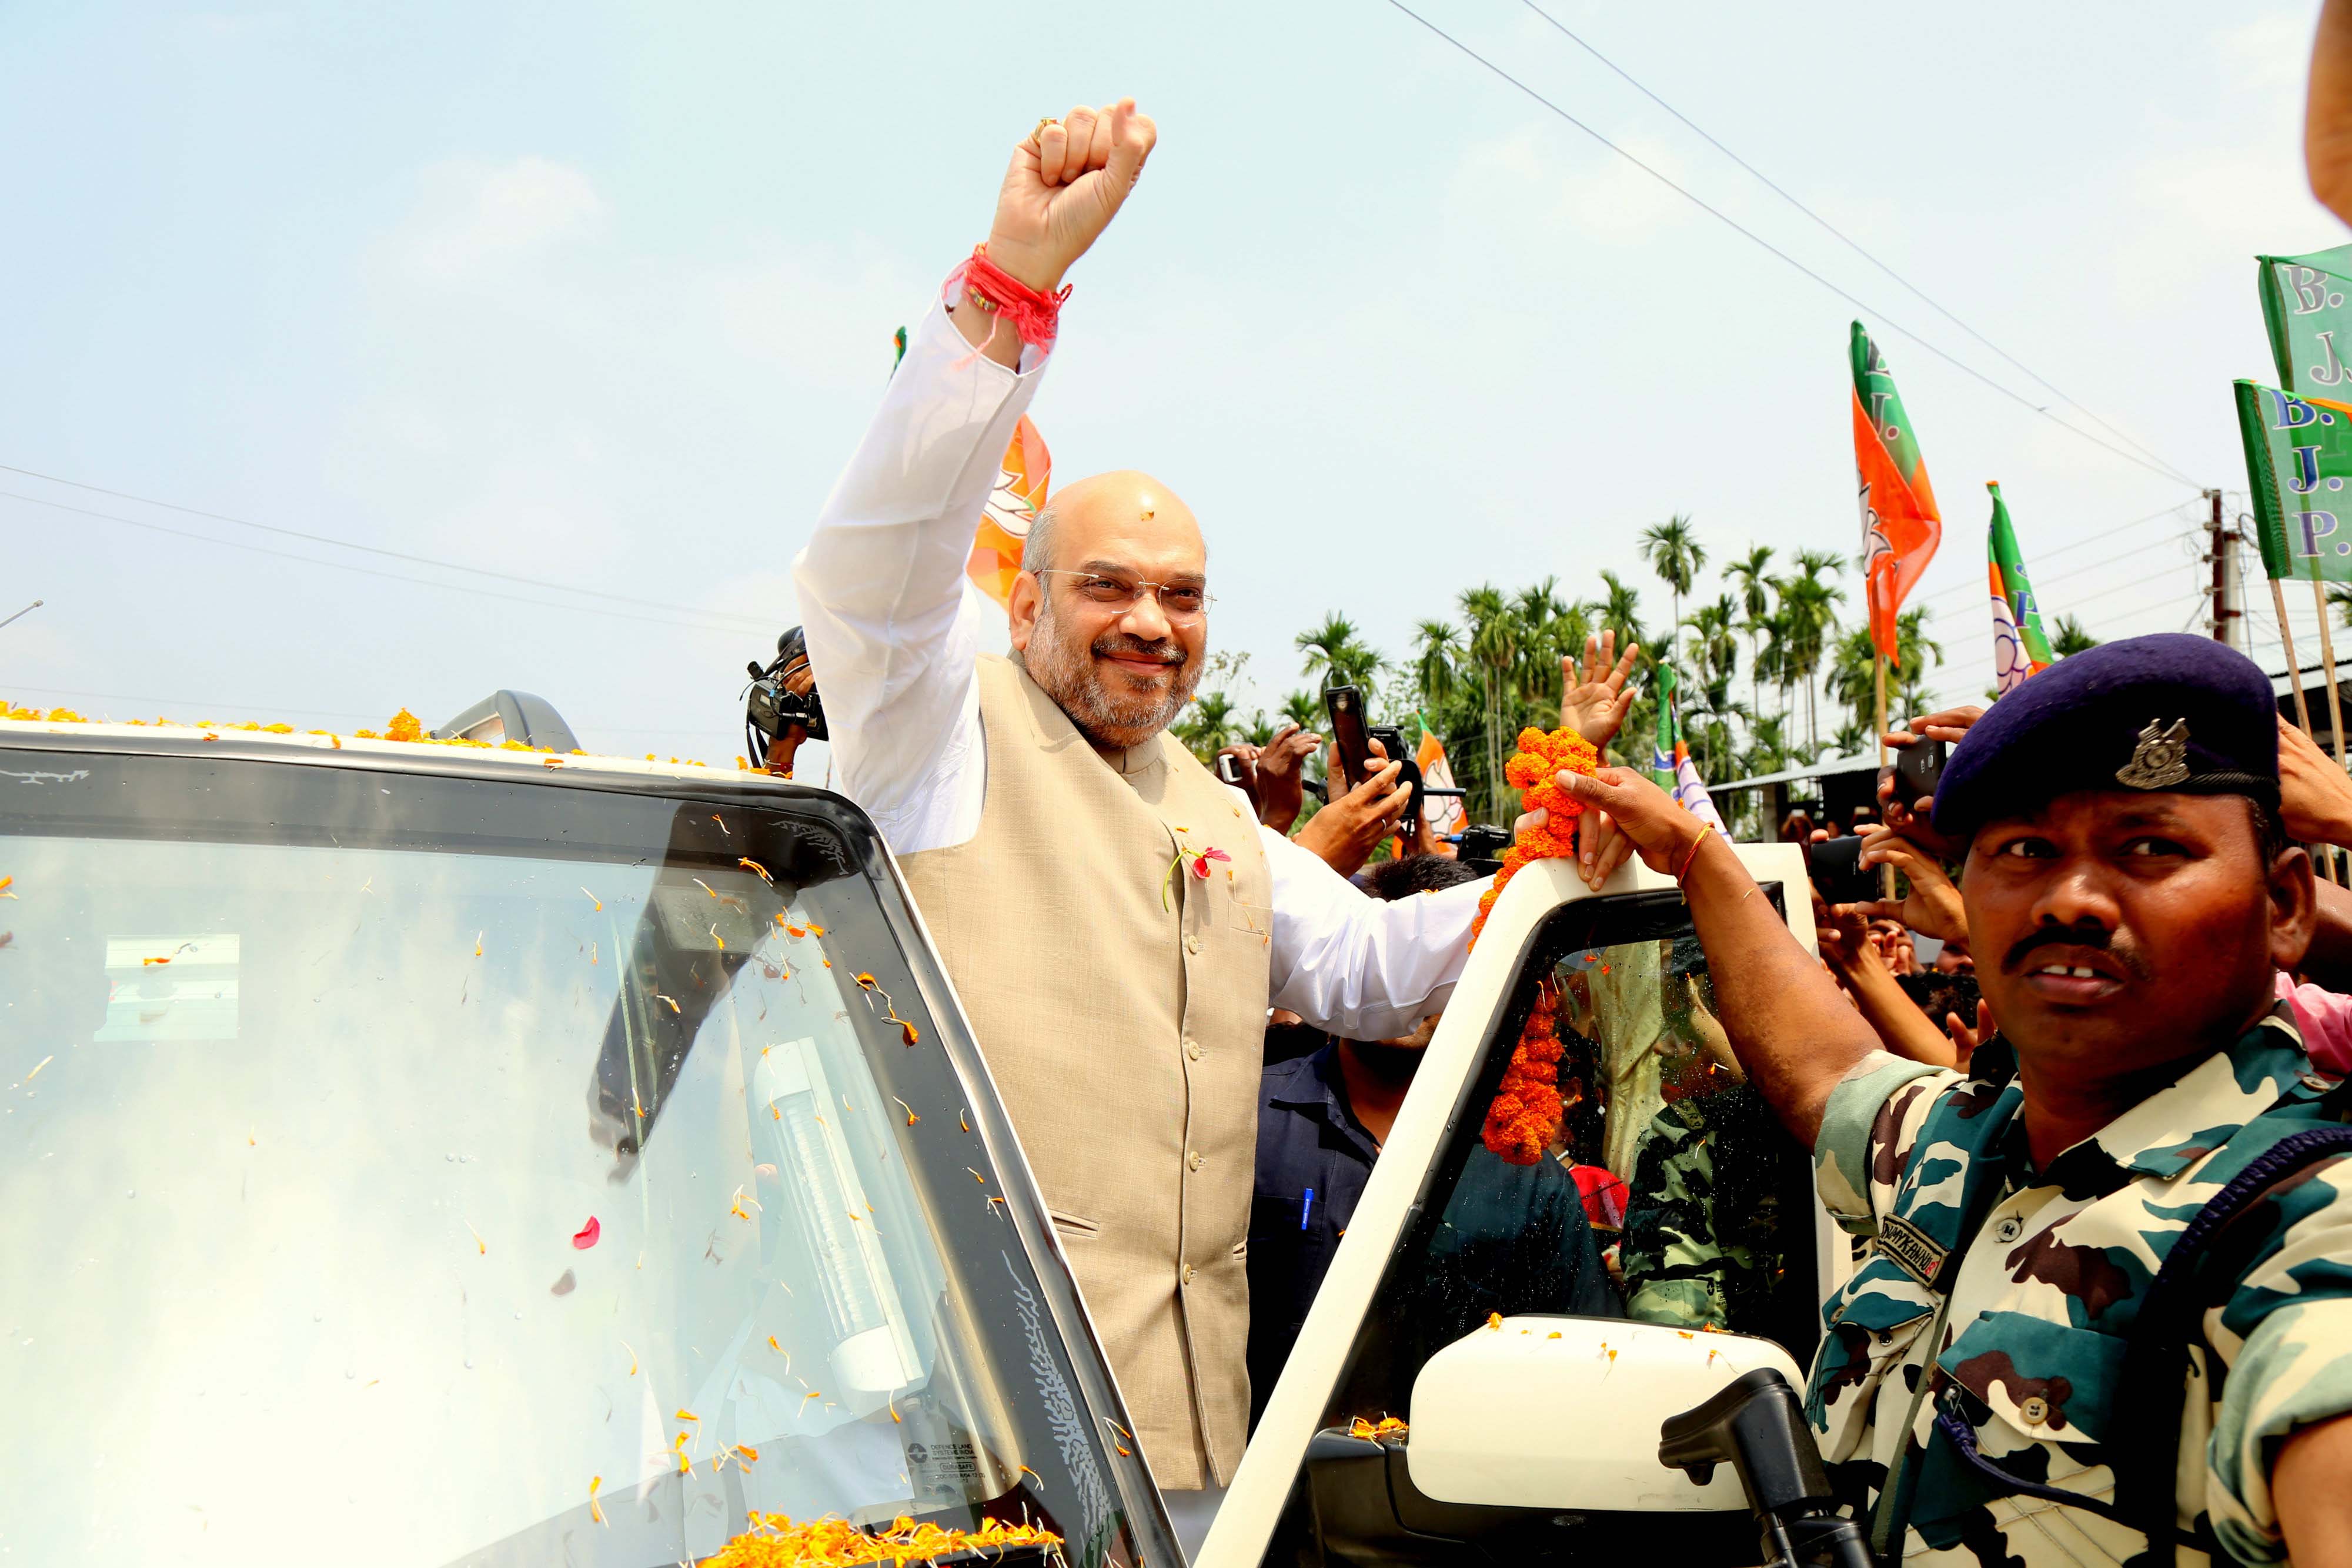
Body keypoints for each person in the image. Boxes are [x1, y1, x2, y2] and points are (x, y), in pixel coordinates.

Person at [790, 101, 1486, 1530]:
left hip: (1189, 1445)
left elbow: (1368, 971)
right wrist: (1007, 294)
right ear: (1026, 598)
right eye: (1107, 586)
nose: (1149, 626)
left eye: (1181, 597)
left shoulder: (1213, 809)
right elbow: (868, 575)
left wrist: (1555, 874)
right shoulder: (937, 739)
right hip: (968, 1439)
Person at [1549, 633, 2352, 1568]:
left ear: (2287, 905)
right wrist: (1694, 854)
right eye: (2025, 849)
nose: (2073, 899)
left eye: (2150, 847)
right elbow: (1825, 1072)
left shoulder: (2300, 1234)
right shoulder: (1967, 1142)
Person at [1246, 855, 1616, 1428]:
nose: (1405, 986)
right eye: (1388, 958)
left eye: (1430, 962)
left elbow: (1586, 1380)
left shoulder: (1523, 1174)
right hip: (1255, 1505)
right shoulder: (1243, 1127)